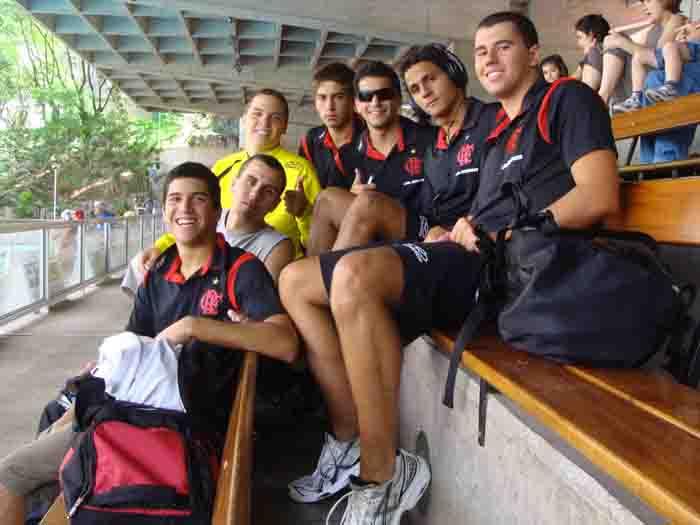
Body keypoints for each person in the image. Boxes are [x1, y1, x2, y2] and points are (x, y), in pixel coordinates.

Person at [279, 11, 620, 523]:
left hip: (507, 268)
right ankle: (348, 431)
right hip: (467, 253)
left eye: (503, 47)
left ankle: (384, 473)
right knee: (296, 280)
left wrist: (497, 233)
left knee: (352, 275)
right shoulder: (500, 128)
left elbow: (600, 195)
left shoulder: (566, 98)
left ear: (532, 54)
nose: (490, 58)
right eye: (482, 51)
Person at [0, 162, 299, 525]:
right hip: (127, 412)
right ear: (163, 213)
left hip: (172, 427)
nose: (184, 209)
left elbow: (286, 343)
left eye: (198, 199)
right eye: (175, 199)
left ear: (216, 211)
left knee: (11, 476)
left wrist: (195, 327)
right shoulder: (158, 272)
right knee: (57, 419)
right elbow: (130, 352)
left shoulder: (240, 269)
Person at [143, 89, 321, 264]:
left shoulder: (301, 170)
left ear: (285, 126)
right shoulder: (223, 166)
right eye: (257, 114)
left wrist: (304, 214)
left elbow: (320, 242)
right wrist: (162, 245)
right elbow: (193, 216)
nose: (264, 123)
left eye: (275, 118)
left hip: (276, 268)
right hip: (214, 267)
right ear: (244, 119)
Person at [307, 61, 433, 255]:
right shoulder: (347, 156)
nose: (375, 103)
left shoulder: (429, 140)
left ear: (398, 100)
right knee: (327, 199)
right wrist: (350, 197)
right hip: (373, 239)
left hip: (424, 233)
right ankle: (315, 276)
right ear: (357, 105)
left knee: (368, 203)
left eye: (384, 95)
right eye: (366, 96)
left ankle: (323, 280)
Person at [122, 154, 294, 294]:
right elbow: (179, 234)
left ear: (275, 204)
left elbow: (258, 304)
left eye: (268, 191)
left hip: (219, 321)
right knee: (141, 264)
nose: (255, 194)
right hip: (175, 303)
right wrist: (159, 248)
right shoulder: (208, 214)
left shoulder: (277, 246)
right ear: (234, 183)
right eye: (251, 181)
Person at [398, 44, 499, 240]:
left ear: (453, 75)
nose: (425, 92)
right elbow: (430, 217)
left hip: (486, 239)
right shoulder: (432, 151)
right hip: (442, 243)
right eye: (415, 89)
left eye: (431, 79)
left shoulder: (494, 120)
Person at [605, 0, 685, 110]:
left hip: (657, 86)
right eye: (643, 3)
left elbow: (659, 57)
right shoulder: (653, 29)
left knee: (617, 43)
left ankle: (603, 98)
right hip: (643, 84)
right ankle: (605, 98)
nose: (644, 7)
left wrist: (621, 42)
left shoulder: (676, 19)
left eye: (648, 1)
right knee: (612, 41)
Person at [299, 62, 365, 190]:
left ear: (353, 100)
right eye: (322, 98)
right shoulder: (310, 141)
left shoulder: (372, 137)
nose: (329, 107)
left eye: (339, 97)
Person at [573, 14, 611, 91]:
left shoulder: (595, 52)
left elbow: (587, 91)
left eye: (580, 37)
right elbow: (574, 77)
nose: (578, 43)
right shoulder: (598, 51)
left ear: (591, 35)